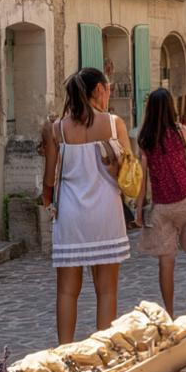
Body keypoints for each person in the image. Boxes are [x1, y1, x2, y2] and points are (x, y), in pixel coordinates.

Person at [40, 67, 131, 345]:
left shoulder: (57, 130)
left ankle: (64, 350)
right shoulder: (114, 124)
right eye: (109, 88)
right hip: (106, 214)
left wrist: (46, 202)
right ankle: (103, 351)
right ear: (100, 91)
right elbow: (130, 170)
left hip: (71, 215)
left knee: (67, 291)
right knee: (107, 291)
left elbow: (49, 179)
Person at [135, 88, 186, 318]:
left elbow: (142, 177)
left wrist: (139, 207)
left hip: (162, 205)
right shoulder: (180, 131)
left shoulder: (145, 138)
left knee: (166, 261)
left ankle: (170, 312)